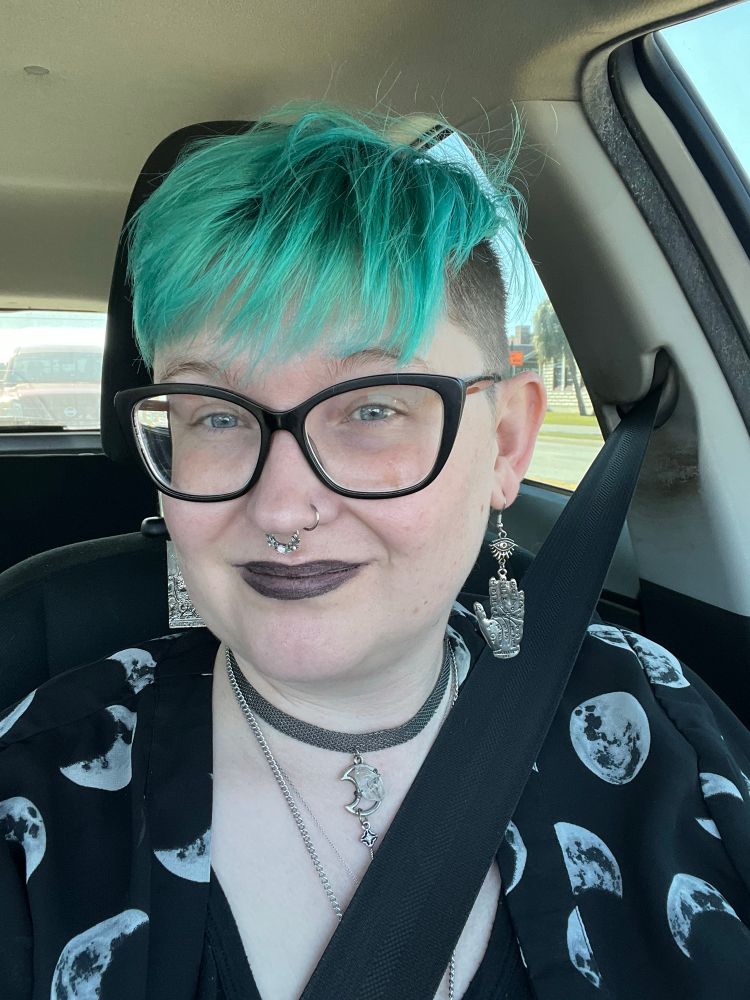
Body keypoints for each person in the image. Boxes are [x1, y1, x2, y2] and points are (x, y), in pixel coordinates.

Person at [2, 104, 750, 1000]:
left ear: (506, 444)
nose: (280, 508)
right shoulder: (36, 801)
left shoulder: (662, 726)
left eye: (372, 407)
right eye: (215, 415)